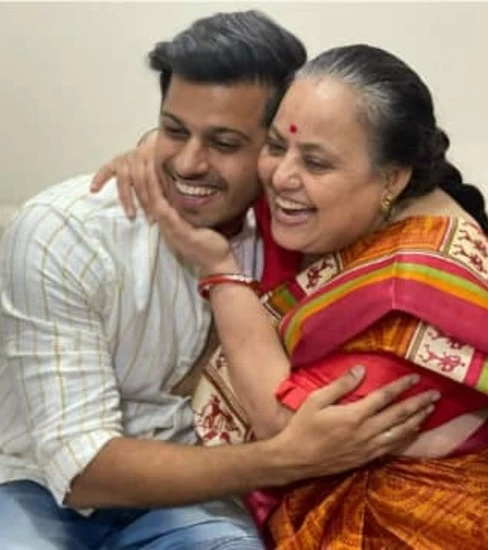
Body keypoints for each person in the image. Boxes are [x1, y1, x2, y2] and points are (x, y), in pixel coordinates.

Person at [0, 11, 437, 549]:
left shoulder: (297, 229)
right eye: (174, 131)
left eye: (224, 143)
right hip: (29, 482)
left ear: (274, 145)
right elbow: (81, 468)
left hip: (193, 493)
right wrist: (284, 459)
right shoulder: (66, 232)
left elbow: (426, 196)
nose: (190, 163)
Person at [132, 44, 488, 548]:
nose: (281, 177)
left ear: (392, 177)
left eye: (315, 162)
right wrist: (161, 149)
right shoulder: (349, 212)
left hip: (417, 528)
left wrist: (219, 271)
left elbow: (289, 432)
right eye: (276, 146)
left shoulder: (419, 284)